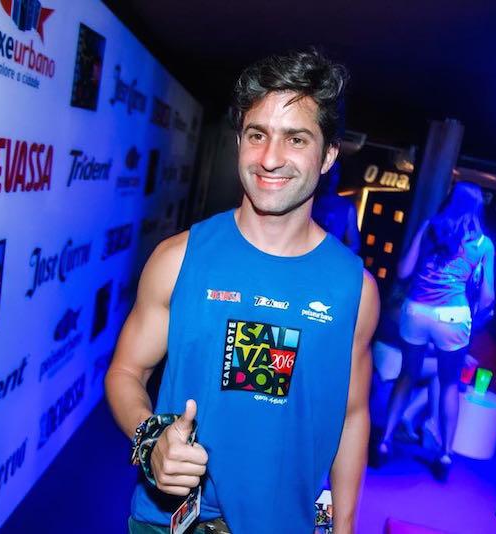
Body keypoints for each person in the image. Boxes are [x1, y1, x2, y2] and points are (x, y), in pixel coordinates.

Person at [106, 49, 379, 534]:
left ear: (328, 155)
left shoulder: (354, 288)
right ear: (239, 141)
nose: (270, 159)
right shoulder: (177, 259)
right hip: (169, 526)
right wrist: (151, 440)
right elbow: (126, 371)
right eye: (257, 135)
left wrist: (345, 526)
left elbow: (353, 416)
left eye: (296, 139)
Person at [378, 181, 495, 480]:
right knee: (449, 383)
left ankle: (385, 441)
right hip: (452, 316)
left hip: (416, 310)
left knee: (407, 375)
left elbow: (404, 271)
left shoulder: (430, 226)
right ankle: (445, 453)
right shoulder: (483, 243)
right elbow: (488, 297)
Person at [312, 162, 361, 253]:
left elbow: (354, 245)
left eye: (335, 172)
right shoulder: (308, 201)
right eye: (328, 172)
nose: (331, 177)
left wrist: (335, 256)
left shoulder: (346, 206)